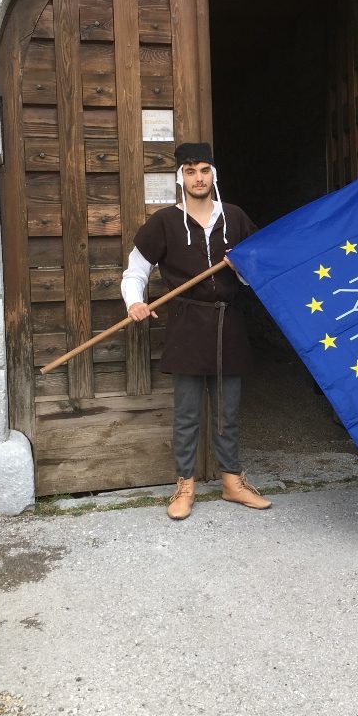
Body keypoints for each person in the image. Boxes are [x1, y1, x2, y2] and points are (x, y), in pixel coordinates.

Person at [120, 141, 271, 520]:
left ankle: (232, 482)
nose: (198, 178)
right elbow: (135, 271)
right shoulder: (165, 222)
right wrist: (134, 302)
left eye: (204, 170)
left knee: (227, 411)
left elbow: (259, 273)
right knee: (187, 413)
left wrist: (241, 268)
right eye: (190, 172)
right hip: (187, 324)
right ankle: (185, 485)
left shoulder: (234, 217)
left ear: (213, 175)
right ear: (180, 178)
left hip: (227, 323)